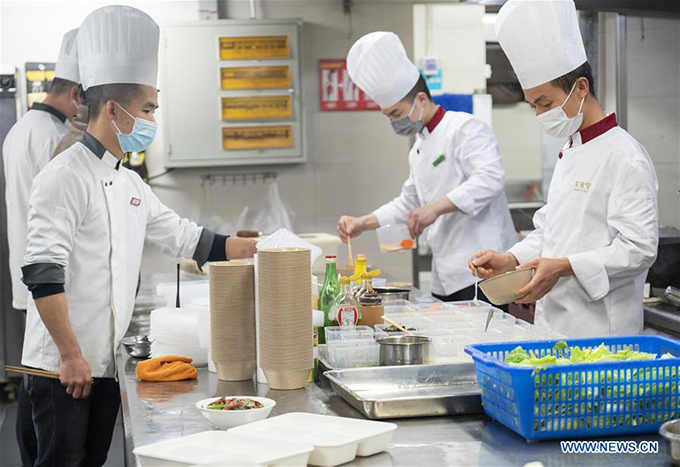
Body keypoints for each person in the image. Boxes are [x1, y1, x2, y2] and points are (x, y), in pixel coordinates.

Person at [17, 6, 257, 466]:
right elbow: (43, 272)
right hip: (60, 367)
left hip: (102, 364)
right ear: (113, 109)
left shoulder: (129, 183)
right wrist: (70, 355)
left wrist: (265, 249)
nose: (152, 119)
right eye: (147, 109)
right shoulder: (63, 177)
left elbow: (189, 239)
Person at [469, 0, 658, 337]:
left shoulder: (625, 156)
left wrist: (565, 266)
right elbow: (552, 233)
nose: (541, 114)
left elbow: (639, 248)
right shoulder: (571, 151)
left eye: (546, 103)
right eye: (534, 106)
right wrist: (511, 259)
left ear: (581, 87)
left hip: (602, 333)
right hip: (555, 326)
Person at [338, 32, 516, 303]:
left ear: (421, 100)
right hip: (446, 273)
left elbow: (490, 179)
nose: (394, 122)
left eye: (396, 113)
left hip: (483, 270)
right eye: (388, 116)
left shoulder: (465, 128)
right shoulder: (419, 149)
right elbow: (407, 203)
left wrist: (434, 209)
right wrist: (363, 223)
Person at [3, 28, 81, 315]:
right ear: (76, 93)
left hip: (30, 276)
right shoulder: (55, 138)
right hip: (51, 283)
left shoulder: (19, 129)